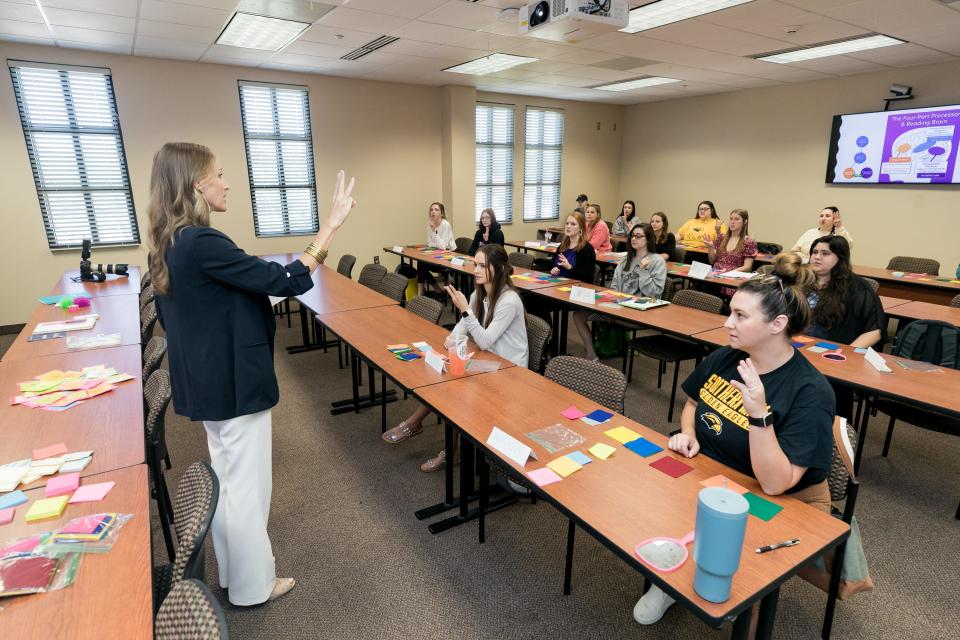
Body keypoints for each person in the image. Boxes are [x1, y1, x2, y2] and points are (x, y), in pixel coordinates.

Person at [148, 142, 357, 606]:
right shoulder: (202, 242)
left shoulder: (169, 244)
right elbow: (282, 280)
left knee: (227, 480)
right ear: (197, 184)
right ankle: (252, 587)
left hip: (208, 387)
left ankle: (232, 576)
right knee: (248, 490)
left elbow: (230, 297)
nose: (225, 183)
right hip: (234, 385)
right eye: (219, 174)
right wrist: (330, 227)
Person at [632, 255, 835, 626]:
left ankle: (746, 602)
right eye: (731, 312)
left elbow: (775, 485)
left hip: (783, 498)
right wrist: (689, 435)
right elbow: (693, 403)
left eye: (741, 316)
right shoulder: (728, 357)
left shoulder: (810, 391)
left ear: (778, 324)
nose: (727, 323)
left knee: (739, 579)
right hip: (715, 474)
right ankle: (670, 581)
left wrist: (759, 415)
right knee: (643, 499)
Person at [381, 245, 528, 471]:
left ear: (498, 269)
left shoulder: (509, 300)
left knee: (457, 388)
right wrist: (453, 337)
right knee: (448, 375)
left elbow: (485, 339)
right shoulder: (479, 293)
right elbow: (463, 326)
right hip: (490, 359)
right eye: (475, 264)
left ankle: (446, 447)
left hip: (510, 370)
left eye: (482, 265)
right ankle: (422, 427)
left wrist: (465, 311)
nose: (476, 270)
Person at [806, 235, 885, 419]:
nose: (817, 257)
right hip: (800, 349)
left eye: (825, 253)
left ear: (840, 258)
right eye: (815, 252)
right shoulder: (803, 283)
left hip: (832, 359)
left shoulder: (857, 288)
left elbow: (875, 330)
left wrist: (845, 353)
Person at [573, 222, 666, 361]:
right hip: (617, 307)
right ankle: (591, 355)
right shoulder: (625, 260)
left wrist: (644, 270)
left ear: (648, 239)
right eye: (632, 236)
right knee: (578, 315)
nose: (634, 239)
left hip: (638, 312)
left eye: (639, 236)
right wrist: (611, 305)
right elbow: (614, 287)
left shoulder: (657, 261)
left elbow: (654, 294)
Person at [418, 201, 456, 294]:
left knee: (423, 266)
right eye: (431, 210)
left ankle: (441, 287)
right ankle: (430, 289)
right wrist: (436, 244)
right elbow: (429, 243)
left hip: (448, 256)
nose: (433, 212)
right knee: (421, 264)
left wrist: (434, 231)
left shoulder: (445, 224)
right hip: (436, 254)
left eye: (436, 210)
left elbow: (443, 247)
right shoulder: (430, 223)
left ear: (441, 213)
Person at [551, 211, 597, 282]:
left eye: (573, 224)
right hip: (558, 283)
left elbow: (589, 277)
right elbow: (553, 264)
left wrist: (570, 267)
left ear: (581, 228)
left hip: (576, 288)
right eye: (567, 223)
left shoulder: (587, 249)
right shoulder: (562, 246)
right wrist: (554, 270)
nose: (568, 226)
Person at [708, 208, 757, 274]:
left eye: (737, 219)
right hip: (715, 273)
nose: (732, 222)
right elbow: (712, 261)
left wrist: (727, 272)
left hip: (732, 276)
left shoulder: (748, 242)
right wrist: (710, 247)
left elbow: (747, 267)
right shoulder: (721, 237)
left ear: (745, 222)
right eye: (731, 219)